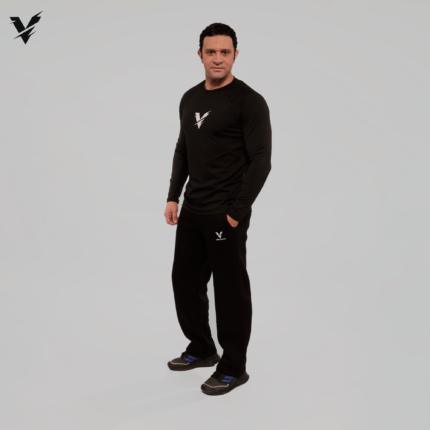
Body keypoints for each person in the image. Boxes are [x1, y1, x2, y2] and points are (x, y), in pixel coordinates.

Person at [164, 22, 272, 396]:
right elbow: (183, 148)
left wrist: (236, 212)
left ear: (235, 55)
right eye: (211, 52)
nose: (217, 58)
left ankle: (233, 367)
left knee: (229, 291)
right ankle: (202, 348)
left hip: (226, 213)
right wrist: (174, 196)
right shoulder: (190, 98)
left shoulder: (248, 101)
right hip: (193, 209)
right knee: (184, 280)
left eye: (225, 52)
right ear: (200, 55)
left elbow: (261, 161)